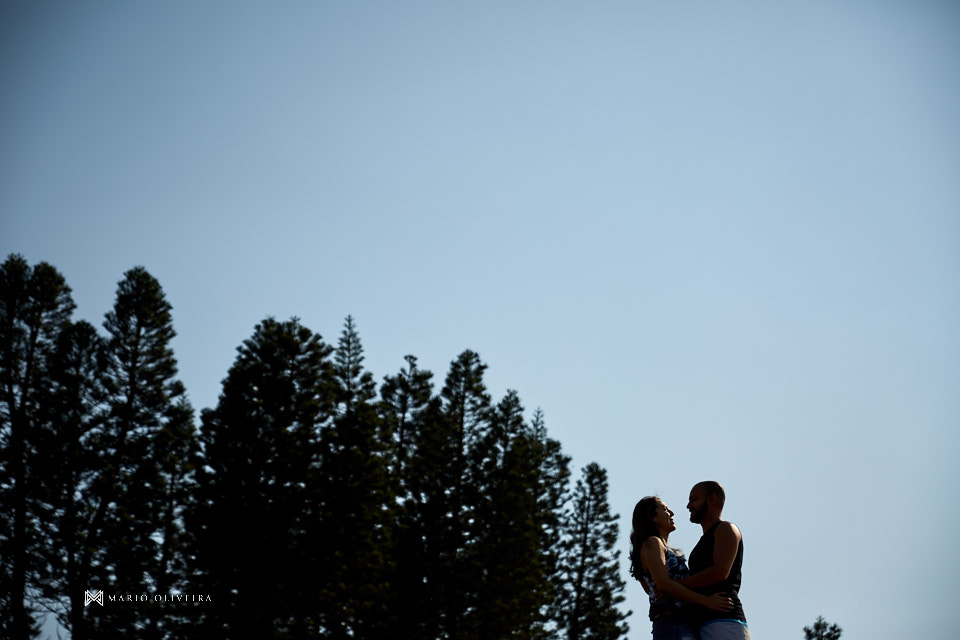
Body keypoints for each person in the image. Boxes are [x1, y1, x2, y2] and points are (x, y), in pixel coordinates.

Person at [629, 496, 733, 640]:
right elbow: (663, 585)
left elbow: (652, 589)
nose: (671, 513)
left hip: (679, 623)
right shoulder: (652, 542)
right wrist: (707, 601)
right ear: (651, 517)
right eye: (665, 509)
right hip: (674, 624)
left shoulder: (657, 547)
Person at [679, 481, 750, 640]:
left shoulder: (726, 529)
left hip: (725, 621)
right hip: (705, 622)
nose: (688, 506)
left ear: (711, 500)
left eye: (694, 499)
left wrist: (674, 586)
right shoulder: (704, 539)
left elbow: (720, 572)